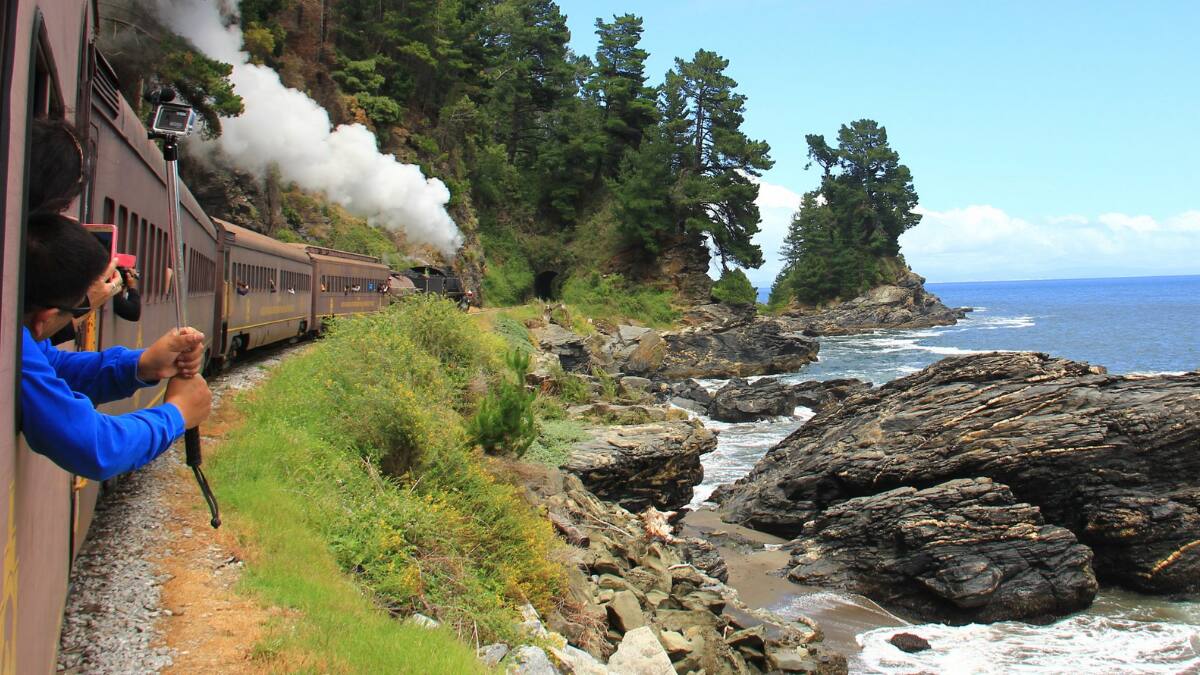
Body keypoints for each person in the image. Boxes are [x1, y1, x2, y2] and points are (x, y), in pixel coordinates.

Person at [20, 212, 211, 480]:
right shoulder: (14, 349)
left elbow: (54, 366)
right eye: (79, 310)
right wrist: (177, 414)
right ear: (45, 320)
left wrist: (143, 364)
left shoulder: (24, 340)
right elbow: (96, 447)